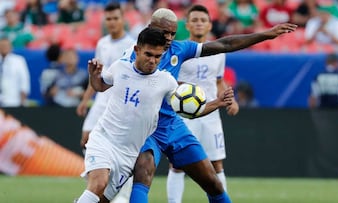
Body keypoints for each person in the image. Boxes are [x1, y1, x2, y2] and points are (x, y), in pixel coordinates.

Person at [122, 7, 297, 203]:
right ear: (151, 28)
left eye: (172, 32)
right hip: (147, 127)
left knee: (212, 181)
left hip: (174, 125)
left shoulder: (180, 49)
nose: (170, 37)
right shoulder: (133, 55)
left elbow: (224, 44)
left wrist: (265, 34)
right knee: (143, 171)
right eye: (165, 33)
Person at [75, 27, 234, 203]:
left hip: (128, 154)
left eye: (157, 57)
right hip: (104, 140)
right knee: (98, 184)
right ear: (137, 50)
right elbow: (100, 86)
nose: (152, 60)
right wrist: (93, 76)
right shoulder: (121, 67)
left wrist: (217, 103)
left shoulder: (166, 82)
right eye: (148, 54)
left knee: (101, 200)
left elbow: (189, 111)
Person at [166, 5, 239, 203]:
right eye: (195, 20)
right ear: (187, 25)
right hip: (183, 116)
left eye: (203, 20)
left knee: (216, 164)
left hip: (211, 115)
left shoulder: (218, 52)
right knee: (177, 164)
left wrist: (230, 100)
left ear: (209, 26)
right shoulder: (180, 51)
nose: (199, 23)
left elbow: (218, 81)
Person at [75, 3, 135, 202]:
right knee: (86, 139)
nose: (112, 22)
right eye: (108, 19)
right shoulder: (102, 43)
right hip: (101, 99)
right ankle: (95, 187)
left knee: (122, 148)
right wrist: (85, 100)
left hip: (120, 102)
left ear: (122, 19)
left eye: (115, 18)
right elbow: (97, 76)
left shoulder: (132, 44)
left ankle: (121, 194)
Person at [0, 36, 30, 107]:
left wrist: (23, 100)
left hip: (13, 100)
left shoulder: (19, 61)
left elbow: (24, 80)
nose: (4, 48)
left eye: (6, 46)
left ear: (11, 47)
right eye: (2, 46)